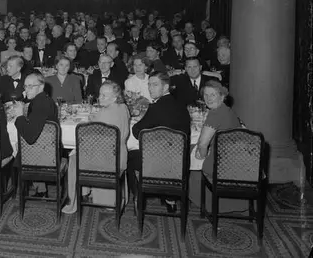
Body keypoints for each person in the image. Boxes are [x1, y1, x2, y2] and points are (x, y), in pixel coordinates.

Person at [63, 82, 130, 214]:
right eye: (100, 94)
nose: (100, 98)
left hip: (105, 161)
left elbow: (90, 139)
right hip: (120, 157)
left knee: (73, 157)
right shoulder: (123, 107)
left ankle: (77, 197)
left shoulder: (104, 113)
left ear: (115, 97)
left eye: (105, 95)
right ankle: (91, 193)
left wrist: (77, 149)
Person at [128, 72, 190, 212]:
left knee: (130, 155)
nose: (150, 88)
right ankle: (170, 199)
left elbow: (137, 131)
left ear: (166, 87)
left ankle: (138, 198)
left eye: (155, 85)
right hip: (179, 164)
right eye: (149, 84)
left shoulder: (156, 108)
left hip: (157, 164)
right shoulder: (182, 106)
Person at [189, 80, 247, 213]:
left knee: (192, 158)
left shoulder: (215, 114)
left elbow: (202, 144)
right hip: (236, 162)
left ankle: (204, 202)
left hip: (220, 166)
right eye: (206, 95)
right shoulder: (228, 110)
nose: (208, 98)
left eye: (213, 95)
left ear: (222, 96)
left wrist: (201, 155)